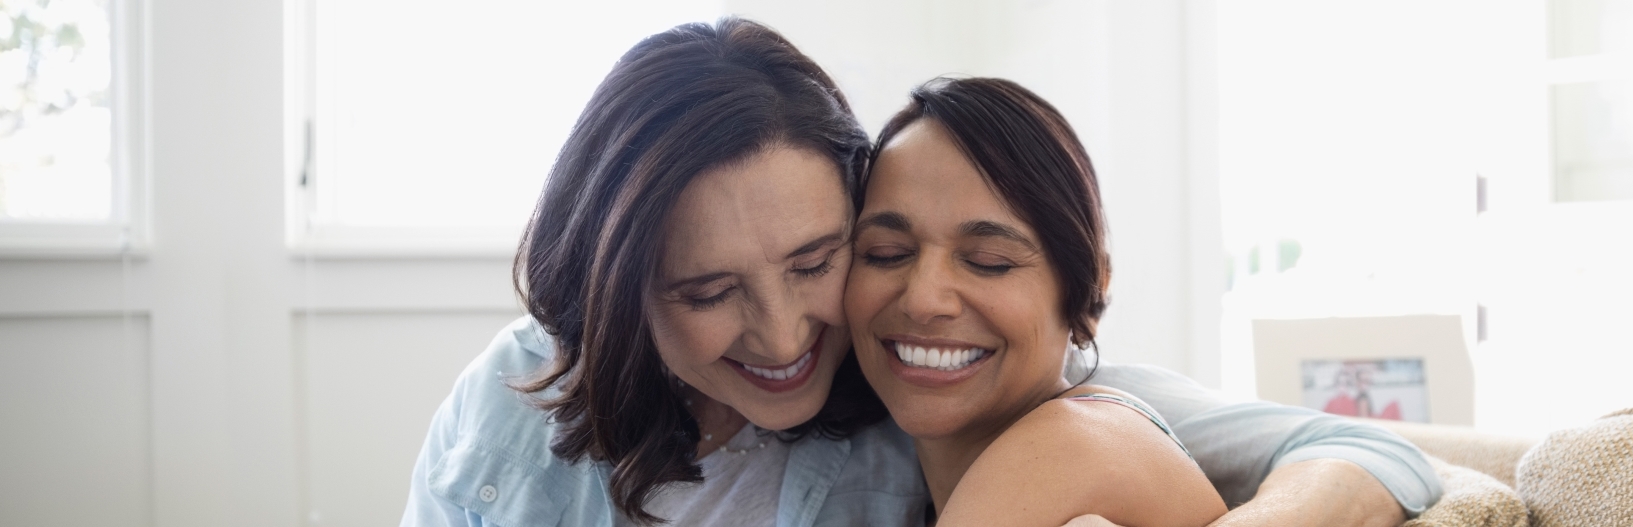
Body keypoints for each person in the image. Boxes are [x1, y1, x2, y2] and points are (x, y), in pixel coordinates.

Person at [401, 17, 1442, 527]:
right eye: (708, 291)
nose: (780, 333)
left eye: (817, 260)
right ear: (617, 291)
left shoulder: (935, 389)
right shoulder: (510, 399)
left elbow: (1369, 453)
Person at [845, 77, 1226, 525]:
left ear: (1088, 295)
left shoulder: (1074, 444)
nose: (924, 300)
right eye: (885, 253)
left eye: (988, 262)